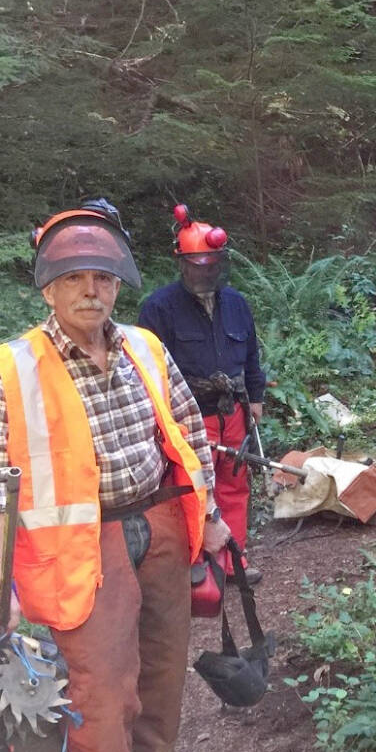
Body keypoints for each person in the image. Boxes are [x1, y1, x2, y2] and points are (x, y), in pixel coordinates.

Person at [0, 200, 227, 752]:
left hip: (161, 527)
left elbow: (187, 430)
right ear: (48, 288)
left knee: (163, 672)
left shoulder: (144, 346)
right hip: (83, 550)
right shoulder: (8, 370)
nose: (91, 291)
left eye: (103, 278)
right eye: (75, 278)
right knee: (101, 692)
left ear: (118, 284)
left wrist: (210, 514)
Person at [138, 205, 266, 583]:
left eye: (212, 265)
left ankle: (235, 563)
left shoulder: (237, 304)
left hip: (234, 413)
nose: (205, 272)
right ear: (182, 264)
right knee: (195, 494)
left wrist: (255, 398)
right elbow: (148, 371)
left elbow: (252, 356)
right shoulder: (159, 308)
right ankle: (201, 568)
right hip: (189, 418)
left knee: (235, 488)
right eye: (198, 265)